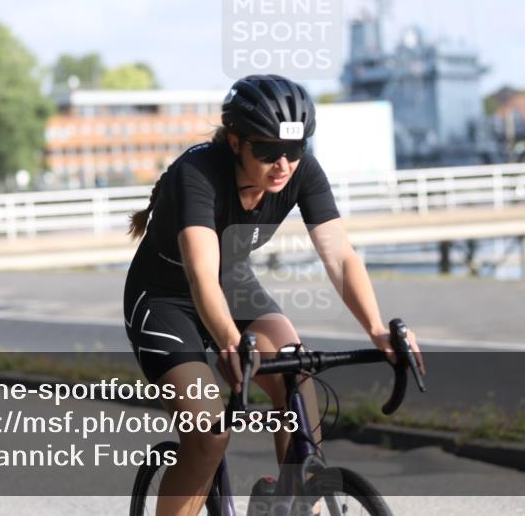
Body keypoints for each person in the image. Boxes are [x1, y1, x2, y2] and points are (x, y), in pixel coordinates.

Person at [123, 74, 424, 515]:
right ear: (235, 142)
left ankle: (293, 504)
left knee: (297, 378)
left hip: (234, 286)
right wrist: (230, 344)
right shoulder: (197, 174)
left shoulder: (301, 173)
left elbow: (339, 256)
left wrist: (378, 329)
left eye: (295, 149)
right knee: (209, 433)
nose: (282, 164)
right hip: (165, 299)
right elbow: (202, 275)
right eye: (267, 150)